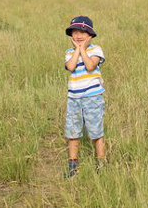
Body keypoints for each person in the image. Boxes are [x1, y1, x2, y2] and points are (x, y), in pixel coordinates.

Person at [63, 15, 107, 178]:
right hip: (74, 99)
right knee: (73, 132)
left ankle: (101, 164)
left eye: (83, 32)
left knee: (96, 131)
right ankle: (72, 166)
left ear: (90, 35)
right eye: (75, 32)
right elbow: (71, 66)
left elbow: (90, 66)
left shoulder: (96, 50)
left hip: (92, 98)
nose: (78, 35)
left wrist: (82, 49)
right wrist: (77, 50)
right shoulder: (69, 53)